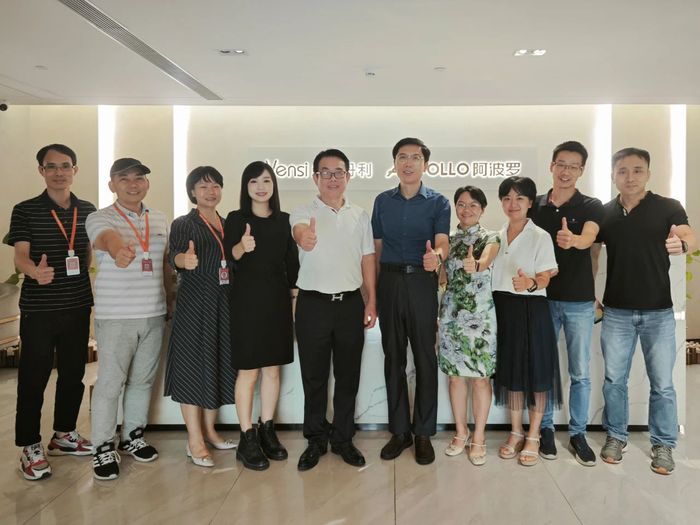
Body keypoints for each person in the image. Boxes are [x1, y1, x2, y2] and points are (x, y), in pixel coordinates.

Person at [594, 147, 697, 475]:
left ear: (648, 174)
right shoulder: (605, 213)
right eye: (622, 171)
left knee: (662, 383)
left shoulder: (668, 207)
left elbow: (688, 235)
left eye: (637, 170)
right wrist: (592, 295)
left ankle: (663, 443)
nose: (630, 177)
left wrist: (682, 244)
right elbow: (593, 254)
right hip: (616, 312)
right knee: (614, 380)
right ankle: (616, 436)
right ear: (613, 175)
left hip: (658, 312)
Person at [8, 144, 96, 480]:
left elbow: (87, 253)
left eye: (65, 166)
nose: (59, 172)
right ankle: (30, 446)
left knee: (73, 373)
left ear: (75, 169)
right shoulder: (25, 210)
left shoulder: (87, 210)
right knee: (34, 377)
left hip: (77, 304)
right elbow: (20, 255)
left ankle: (64, 434)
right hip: (40, 309)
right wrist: (34, 271)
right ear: (41, 171)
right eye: (51, 166)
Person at [86, 158, 172, 480]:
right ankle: (102, 446)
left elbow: (164, 264)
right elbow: (106, 238)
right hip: (116, 316)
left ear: (147, 183)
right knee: (110, 383)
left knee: (142, 381)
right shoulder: (100, 217)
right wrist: (118, 250)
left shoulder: (159, 218)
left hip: (153, 313)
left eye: (139, 178)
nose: (133, 184)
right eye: (124, 179)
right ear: (112, 184)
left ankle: (132, 435)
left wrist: (169, 299)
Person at [291, 149, 377, 471]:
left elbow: (367, 258)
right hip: (312, 304)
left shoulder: (360, 215)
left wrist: (372, 300)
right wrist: (305, 238)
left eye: (338, 172)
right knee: (314, 377)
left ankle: (343, 438)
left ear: (348, 177)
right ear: (315, 178)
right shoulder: (302, 212)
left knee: (347, 376)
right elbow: (300, 232)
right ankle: (315, 439)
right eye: (325, 172)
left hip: (349, 304)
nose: (332, 178)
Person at [372, 137, 451, 465]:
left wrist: (438, 257)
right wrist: (373, 294)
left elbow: (443, 241)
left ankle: (423, 433)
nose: (408, 163)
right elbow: (377, 248)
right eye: (402, 157)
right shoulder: (382, 201)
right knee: (393, 358)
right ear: (394, 164)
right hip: (389, 281)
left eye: (415, 157)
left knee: (424, 357)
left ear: (425, 164)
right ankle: (400, 431)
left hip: (421, 281)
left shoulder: (438, 202)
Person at [529, 141, 604, 466]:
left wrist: (574, 240)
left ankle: (578, 433)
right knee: (543, 368)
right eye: (561, 164)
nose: (566, 171)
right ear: (551, 166)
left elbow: (591, 238)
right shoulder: (535, 205)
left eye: (573, 166)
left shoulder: (591, 205)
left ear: (581, 171)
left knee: (580, 372)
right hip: (541, 299)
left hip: (578, 301)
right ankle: (544, 428)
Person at [223, 161, 299, 471]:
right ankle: (247, 437)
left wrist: (294, 301)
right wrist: (241, 246)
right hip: (246, 303)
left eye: (266, 180)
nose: (260, 186)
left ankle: (267, 429)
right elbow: (228, 257)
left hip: (277, 301)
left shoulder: (284, 220)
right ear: (246, 186)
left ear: (273, 185)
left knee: (272, 370)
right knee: (248, 372)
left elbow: (292, 264)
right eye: (254, 181)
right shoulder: (236, 218)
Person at [165, 166, 237, 468]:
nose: (211, 191)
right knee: (192, 369)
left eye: (215, 185)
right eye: (203, 186)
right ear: (192, 192)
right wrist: (184, 259)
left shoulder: (228, 223)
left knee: (217, 365)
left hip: (224, 304)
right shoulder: (184, 223)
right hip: (195, 304)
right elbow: (174, 256)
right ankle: (194, 439)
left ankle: (209, 431)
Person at [491, 176, 561, 467]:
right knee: (512, 374)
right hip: (503, 310)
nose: (513, 204)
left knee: (537, 375)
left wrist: (531, 282)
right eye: (507, 198)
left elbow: (546, 276)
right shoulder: (496, 237)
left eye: (519, 198)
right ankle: (516, 431)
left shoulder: (540, 236)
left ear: (530, 202)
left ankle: (533, 435)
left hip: (532, 309)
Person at [438, 186, 499, 466]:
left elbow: (486, 260)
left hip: (480, 319)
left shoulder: (491, 237)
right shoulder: (447, 241)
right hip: (451, 316)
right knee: (455, 377)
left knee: (480, 378)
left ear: (482, 209)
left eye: (473, 205)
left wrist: (477, 264)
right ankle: (461, 432)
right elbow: (441, 277)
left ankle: (479, 436)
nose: (467, 210)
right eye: (461, 204)